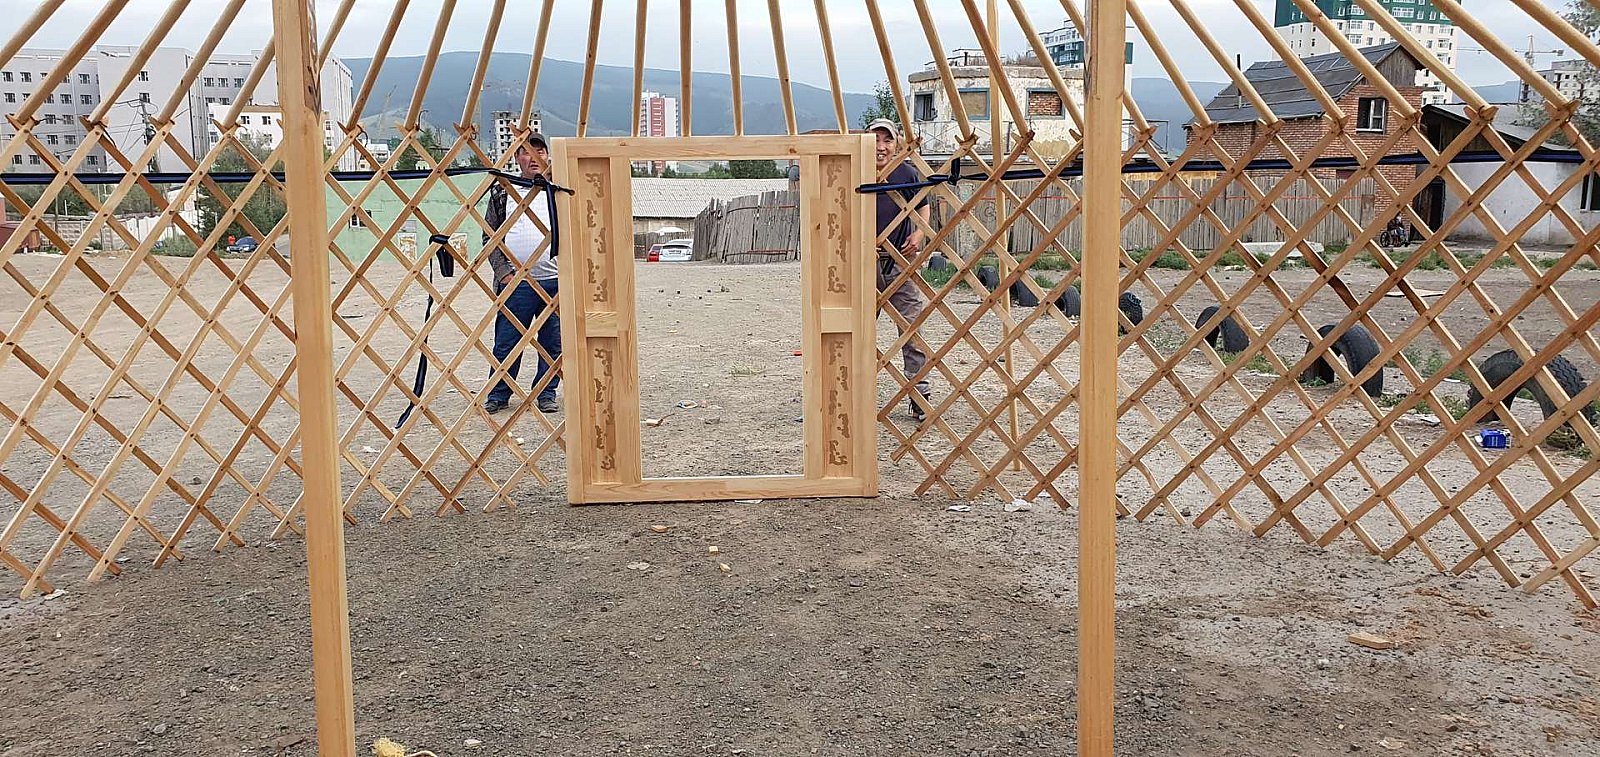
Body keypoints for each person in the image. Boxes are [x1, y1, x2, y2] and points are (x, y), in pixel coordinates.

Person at [483, 133, 561, 414]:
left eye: (540, 151)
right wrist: (504, 273)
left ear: (548, 157)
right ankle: (499, 394)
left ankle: (545, 393)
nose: (535, 158)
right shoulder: (503, 191)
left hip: (555, 281)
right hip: (516, 282)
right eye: (527, 152)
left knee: (553, 343)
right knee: (507, 342)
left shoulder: (558, 191)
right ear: (517, 158)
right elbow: (489, 236)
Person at [867, 118, 933, 421]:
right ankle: (849, 394)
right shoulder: (854, 169)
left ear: (896, 144)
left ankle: (919, 395)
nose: (881, 147)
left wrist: (919, 233)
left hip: (898, 264)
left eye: (887, 140)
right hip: (862, 266)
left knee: (911, 326)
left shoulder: (905, 172)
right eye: (875, 140)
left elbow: (923, 203)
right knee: (853, 330)